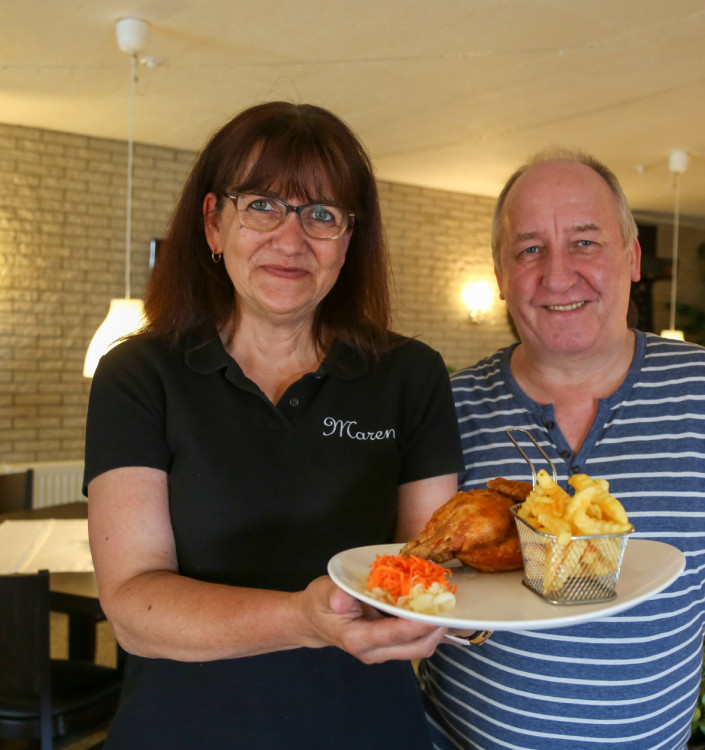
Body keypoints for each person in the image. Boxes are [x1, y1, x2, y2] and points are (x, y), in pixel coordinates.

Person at [419, 150, 705, 749]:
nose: (557, 275)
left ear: (632, 258)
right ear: (501, 274)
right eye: (530, 249)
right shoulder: (446, 407)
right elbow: (397, 576)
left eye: (586, 243)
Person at [83, 102, 462, 749]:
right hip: (184, 730)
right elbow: (133, 611)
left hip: (366, 728)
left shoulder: (411, 374)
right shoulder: (139, 373)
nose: (292, 240)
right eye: (262, 204)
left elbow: (429, 569)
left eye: (322, 214)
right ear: (213, 222)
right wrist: (301, 618)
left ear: (349, 241)